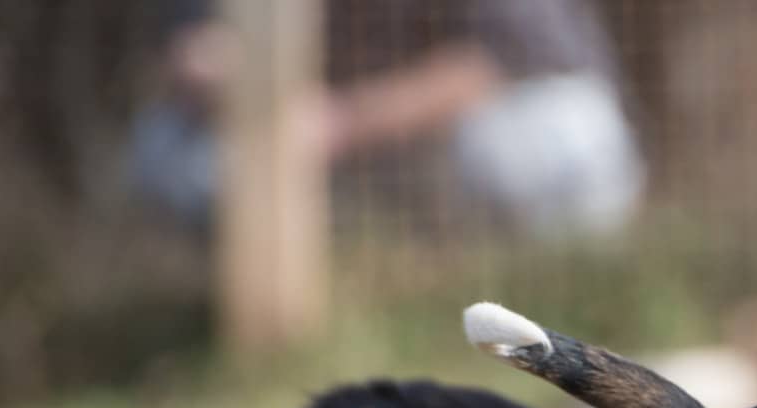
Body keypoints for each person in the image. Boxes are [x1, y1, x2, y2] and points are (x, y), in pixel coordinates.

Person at [129, 0, 645, 237]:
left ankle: (562, 301)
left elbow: (498, 60)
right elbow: (190, 47)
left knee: (553, 139)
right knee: (167, 153)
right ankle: (255, 321)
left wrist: (341, 121)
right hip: (322, 161)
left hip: (452, 143)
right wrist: (221, 74)